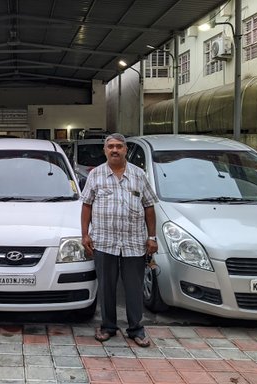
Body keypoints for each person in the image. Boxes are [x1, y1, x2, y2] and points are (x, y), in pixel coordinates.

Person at [80, 133, 158, 348]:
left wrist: (152, 237)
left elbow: (149, 206)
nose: (115, 150)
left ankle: (136, 328)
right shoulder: (95, 175)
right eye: (111, 146)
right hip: (104, 241)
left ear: (126, 150)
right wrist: (85, 234)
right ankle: (107, 326)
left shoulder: (138, 175)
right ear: (105, 151)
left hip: (134, 242)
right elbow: (86, 205)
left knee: (133, 287)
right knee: (106, 286)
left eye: (119, 146)